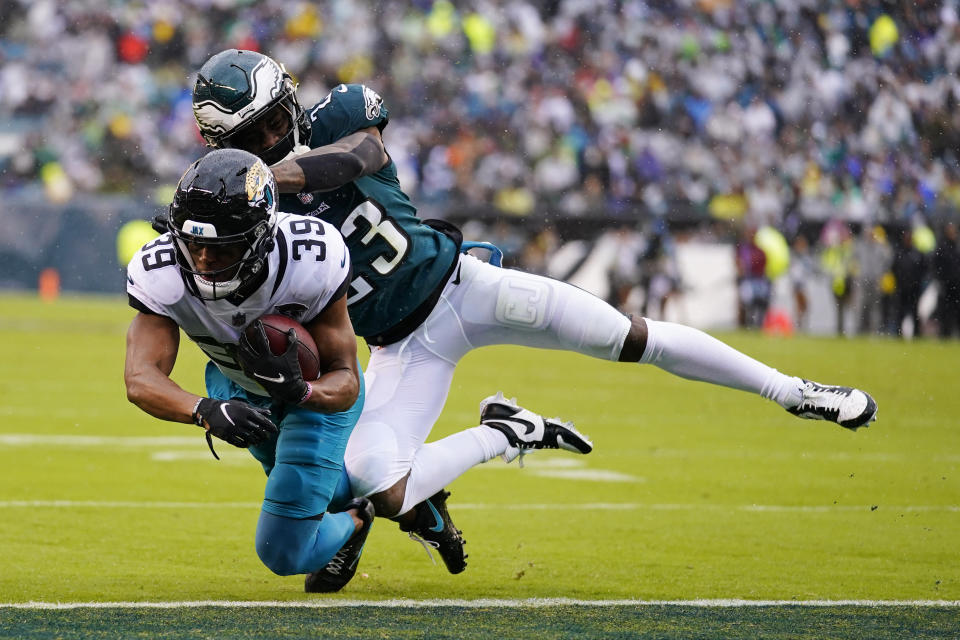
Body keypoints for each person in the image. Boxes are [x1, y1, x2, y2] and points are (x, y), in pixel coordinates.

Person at [187, 49, 879, 582]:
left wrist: (274, 177)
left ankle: (794, 391)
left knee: (625, 336)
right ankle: (506, 433)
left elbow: (366, 152)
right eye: (262, 130)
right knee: (381, 487)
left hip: (465, 288)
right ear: (224, 142)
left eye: (281, 116)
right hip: (400, 347)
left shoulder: (331, 121)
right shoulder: (234, 207)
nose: (279, 133)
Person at [124, 149, 374, 593]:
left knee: (282, 551)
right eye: (193, 243)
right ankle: (388, 493)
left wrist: (301, 392)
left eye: (221, 247)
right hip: (232, 383)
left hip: (312, 398)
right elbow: (140, 378)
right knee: (322, 489)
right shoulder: (159, 269)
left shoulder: (310, 258)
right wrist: (206, 410)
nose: (202, 259)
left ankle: (359, 520)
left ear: (260, 236)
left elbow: (347, 380)